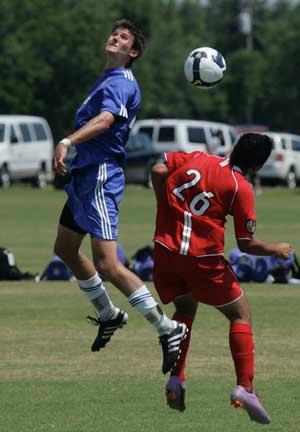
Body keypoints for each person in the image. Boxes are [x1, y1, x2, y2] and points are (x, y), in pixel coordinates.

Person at [52, 19, 187, 375]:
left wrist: (67, 140)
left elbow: (106, 121)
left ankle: (168, 327)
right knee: (65, 249)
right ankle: (109, 313)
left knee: (108, 264)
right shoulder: (106, 79)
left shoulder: (123, 83)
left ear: (133, 53)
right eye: (114, 33)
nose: (115, 37)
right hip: (85, 176)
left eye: (124, 37)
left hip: (100, 175)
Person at [150, 133, 292, 423]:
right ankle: (245, 388)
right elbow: (245, 243)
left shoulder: (198, 157)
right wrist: (277, 249)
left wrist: (163, 204)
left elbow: (158, 169)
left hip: (165, 252)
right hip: (202, 261)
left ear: (234, 147)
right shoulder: (241, 187)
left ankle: (176, 380)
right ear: (259, 166)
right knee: (240, 312)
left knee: (185, 309)